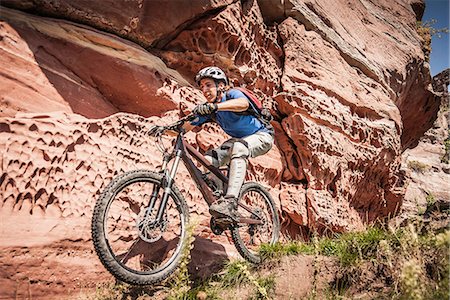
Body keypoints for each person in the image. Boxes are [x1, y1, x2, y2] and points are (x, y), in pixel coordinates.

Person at [182, 66, 274, 220]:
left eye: (208, 85)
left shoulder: (232, 94)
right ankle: (220, 200)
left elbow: (243, 104)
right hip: (238, 140)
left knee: (238, 148)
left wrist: (216, 106)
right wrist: (165, 130)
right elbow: (186, 127)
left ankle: (231, 202)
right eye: (202, 87)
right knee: (207, 161)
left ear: (221, 86)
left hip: (262, 135)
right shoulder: (210, 110)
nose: (204, 90)